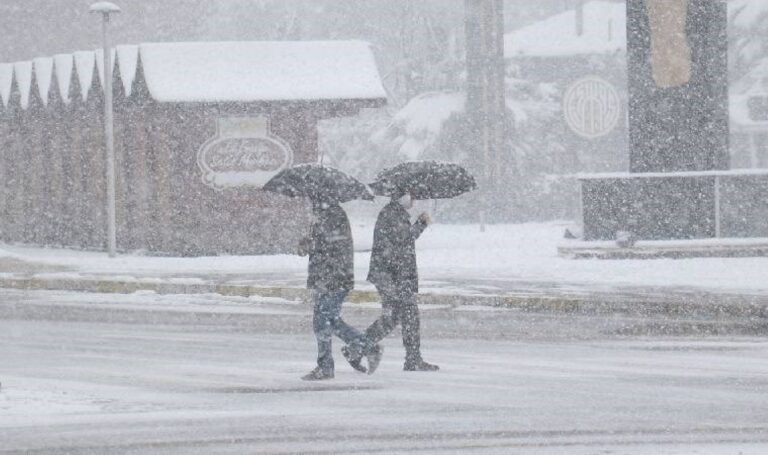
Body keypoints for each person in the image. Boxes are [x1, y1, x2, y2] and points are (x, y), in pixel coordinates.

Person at [349, 191, 439, 371]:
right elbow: (403, 240)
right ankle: (411, 359)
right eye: (412, 197)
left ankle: (357, 349)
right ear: (403, 197)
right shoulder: (392, 213)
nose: (414, 201)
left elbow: (401, 240)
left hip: (393, 274)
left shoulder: (393, 213)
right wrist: (421, 223)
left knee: (396, 317)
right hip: (392, 275)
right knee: (406, 315)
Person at [299, 199, 382, 381]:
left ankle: (326, 366)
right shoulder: (323, 215)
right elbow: (322, 246)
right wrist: (308, 243)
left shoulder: (333, 215)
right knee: (330, 321)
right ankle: (367, 346)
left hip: (334, 278)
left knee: (322, 321)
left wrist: (314, 245)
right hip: (326, 278)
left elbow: (333, 247)